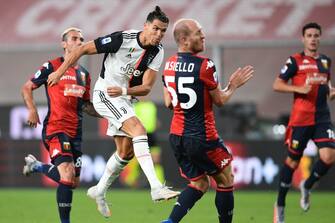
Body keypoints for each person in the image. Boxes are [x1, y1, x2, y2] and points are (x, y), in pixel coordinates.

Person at [47, 6, 180, 218]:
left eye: (163, 31)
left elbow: (146, 87)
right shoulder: (122, 39)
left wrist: (124, 90)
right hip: (104, 93)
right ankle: (156, 187)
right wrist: (60, 71)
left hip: (124, 97)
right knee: (139, 129)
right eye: (156, 29)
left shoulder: (158, 51)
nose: (159, 34)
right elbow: (81, 49)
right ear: (145, 26)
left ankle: (99, 191)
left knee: (126, 152)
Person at [161, 19, 254, 223]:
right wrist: (233, 85)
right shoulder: (205, 65)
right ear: (184, 40)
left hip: (177, 137)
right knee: (226, 179)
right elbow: (220, 100)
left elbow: (168, 102)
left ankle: (169, 222)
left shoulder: (168, 65)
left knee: (200, 183)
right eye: (198, 33)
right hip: (201, 136)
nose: (203, 36)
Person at [21, 27, 101, 223]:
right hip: (56, 128)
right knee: (66, 173)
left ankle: (37, 166)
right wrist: (32, 110)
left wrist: (110, 113)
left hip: (76, 133)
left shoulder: (84, 74)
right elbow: (27, 87)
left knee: (72, 181)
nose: (79, 41)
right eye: (74, 38)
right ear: (64, 44)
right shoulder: (52, 66)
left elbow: (86, 107)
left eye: (82, 39)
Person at [273, 22, 335, 223]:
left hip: (322, 118)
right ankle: (280, 205)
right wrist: (299, 89)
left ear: (320, 37)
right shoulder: (294, 61)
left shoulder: (326, 61)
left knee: (329, 156)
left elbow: (326, 84)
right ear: (303, 38)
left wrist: (331, 92)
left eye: (316, 35)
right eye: (309, 35)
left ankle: (307, 185)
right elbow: (277, 84)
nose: (313, 38)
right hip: (300, 119)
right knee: (292, 162)